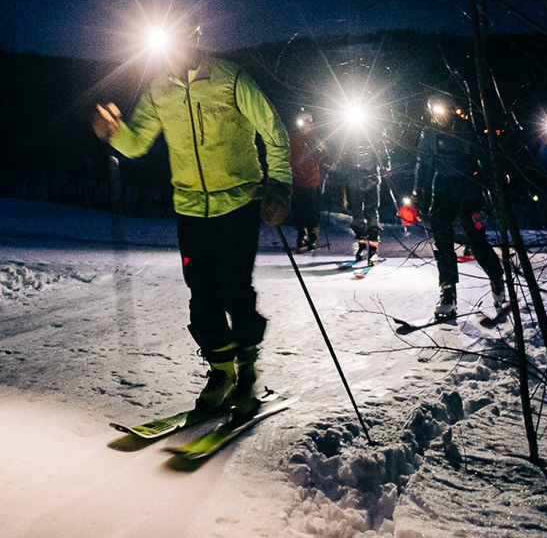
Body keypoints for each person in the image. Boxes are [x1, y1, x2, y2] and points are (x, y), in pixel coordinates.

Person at [93, 24, 291, 419]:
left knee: (234, 289)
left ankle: (247, 370)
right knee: (202, 295)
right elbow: (138, 143)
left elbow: (273, 129)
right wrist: (114, 132)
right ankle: (221, 373)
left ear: (194, 39)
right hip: (190, 209)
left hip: (238, 202)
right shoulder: (158, 90)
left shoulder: (231, 79)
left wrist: (280, 185)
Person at [415, 97, 508, 322]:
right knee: (442, 241)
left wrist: (495, 180)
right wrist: (419, 191)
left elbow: (483, 158)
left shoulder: (466, 130)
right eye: (436, 113)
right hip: (443, 190)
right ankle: (448, 293)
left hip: (469, 190)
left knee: (476, 240)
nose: (441, 117)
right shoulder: (429, 134)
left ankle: (497, 280)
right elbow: (424, 164)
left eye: (444, 111)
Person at [332, 116, 384, 264]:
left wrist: (385, 166)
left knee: (371, 211)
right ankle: (361, 245)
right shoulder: (349, 135)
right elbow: (343, 152)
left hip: (371, 177)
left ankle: (373, 247)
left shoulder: (374, 133)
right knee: (357, 213)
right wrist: (337, 166)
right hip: (354, 177)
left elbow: (382, 150)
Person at [288, 112, 326, 253]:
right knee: (298, 209)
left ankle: (313, 236)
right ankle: (301, 234)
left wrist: (320, 152)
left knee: (311, 210)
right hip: (296, 179)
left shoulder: (315, 138)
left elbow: (323, 156)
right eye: (302, 123)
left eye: (307, 123)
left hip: (311, 180)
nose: (304, 126)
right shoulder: (293, 138)